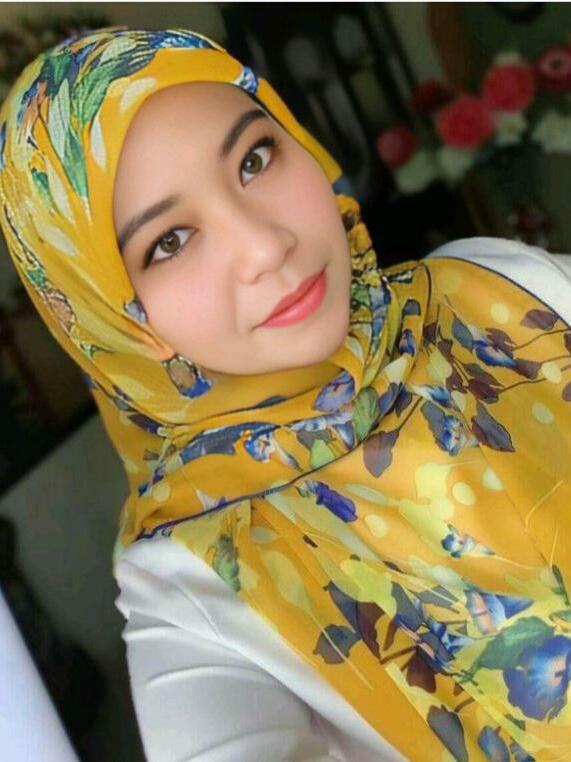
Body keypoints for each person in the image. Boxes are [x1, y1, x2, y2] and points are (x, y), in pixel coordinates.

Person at [1, 26, 571, 762]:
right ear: (113, 316)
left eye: (254, 158)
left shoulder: (492, 289)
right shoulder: (188, 580)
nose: (266, 246)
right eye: (170, 241)